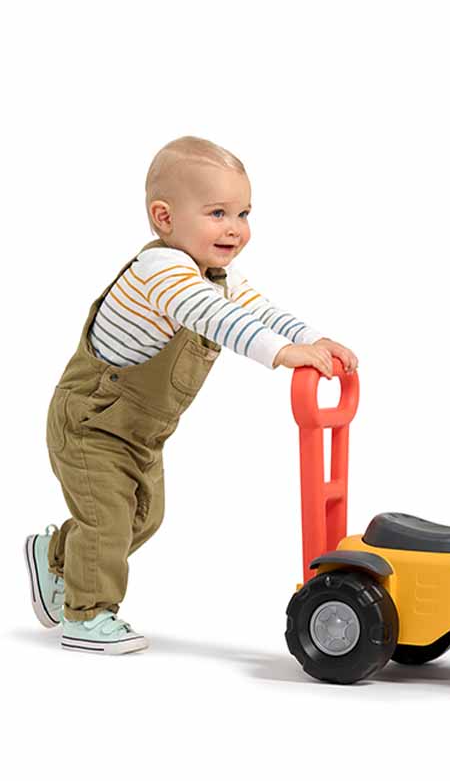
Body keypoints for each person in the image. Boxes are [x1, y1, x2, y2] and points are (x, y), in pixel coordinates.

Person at [24, 136, 357, 654]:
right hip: (91, 420)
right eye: (218, 212)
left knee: (143, 517)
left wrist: (311, 339)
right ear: (163, 217)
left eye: (244, 213)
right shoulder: (161, 273)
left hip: (140, 432)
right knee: (108, 520)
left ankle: (56, 557)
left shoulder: (216, 277)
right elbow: (217, 318)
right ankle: (87, 615)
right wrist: (279, 355)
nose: (235, 227)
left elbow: (259, 310)